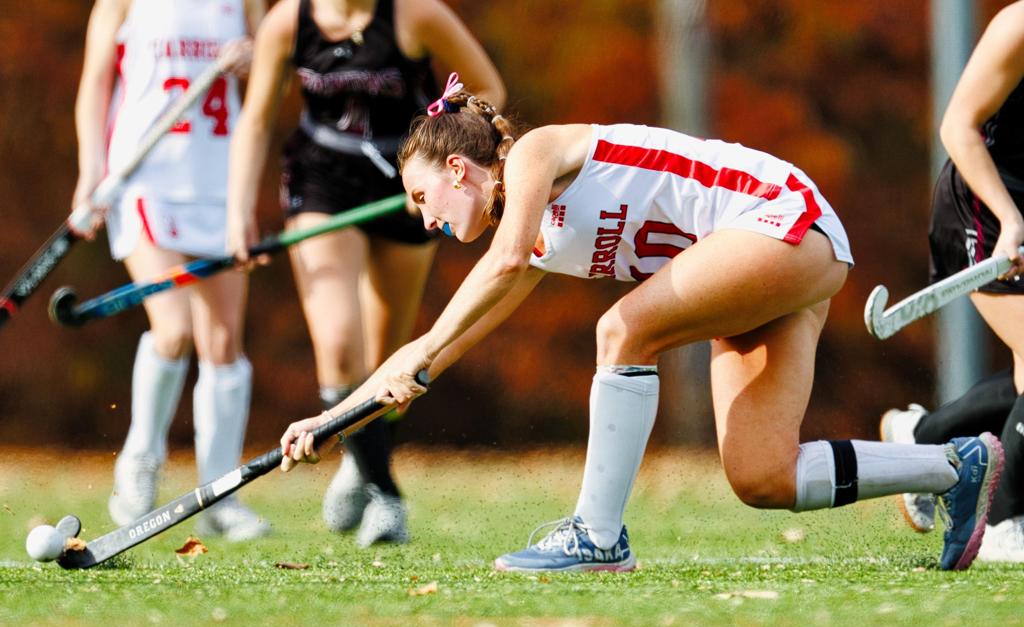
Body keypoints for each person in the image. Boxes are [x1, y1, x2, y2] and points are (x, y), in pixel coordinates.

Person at [275, 75, 1005, 572]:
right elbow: (440, 344)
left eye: (420, 196)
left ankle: (597, 537)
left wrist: (427, 351)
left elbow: (495, 270)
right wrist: (333, 420)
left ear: (459, 170)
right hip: (768, 263)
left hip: (783, 219)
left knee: (622, 330)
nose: (423, 218)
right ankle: (954, 466)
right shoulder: (534, 243)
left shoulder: (531, 157)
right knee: (762, 475)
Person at [226, 0, 504, 547]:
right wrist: (237, 212)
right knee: (337, 344)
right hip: (322, 180)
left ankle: (361, 458)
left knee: (390, 359)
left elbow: (488, 89)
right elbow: (255, 119)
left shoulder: (416, 15)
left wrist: (432, 175)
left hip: (405, 186)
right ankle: (385, 493)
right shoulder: (288, 22)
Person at [71, 0, 270, 540]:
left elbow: (273, 76)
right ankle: (140, 460)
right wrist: (91, 171)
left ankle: (221, 496)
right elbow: (95, 84)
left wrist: (255, 59)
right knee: (174, 328)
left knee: (223, 343)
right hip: (145, 182)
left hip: (220, 184)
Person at [880, 2, 1024, 561]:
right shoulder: (1018, 26)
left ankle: (923, 439)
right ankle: (1004, 524)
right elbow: (957, 127)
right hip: (984, 206)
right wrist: (1010, 219)